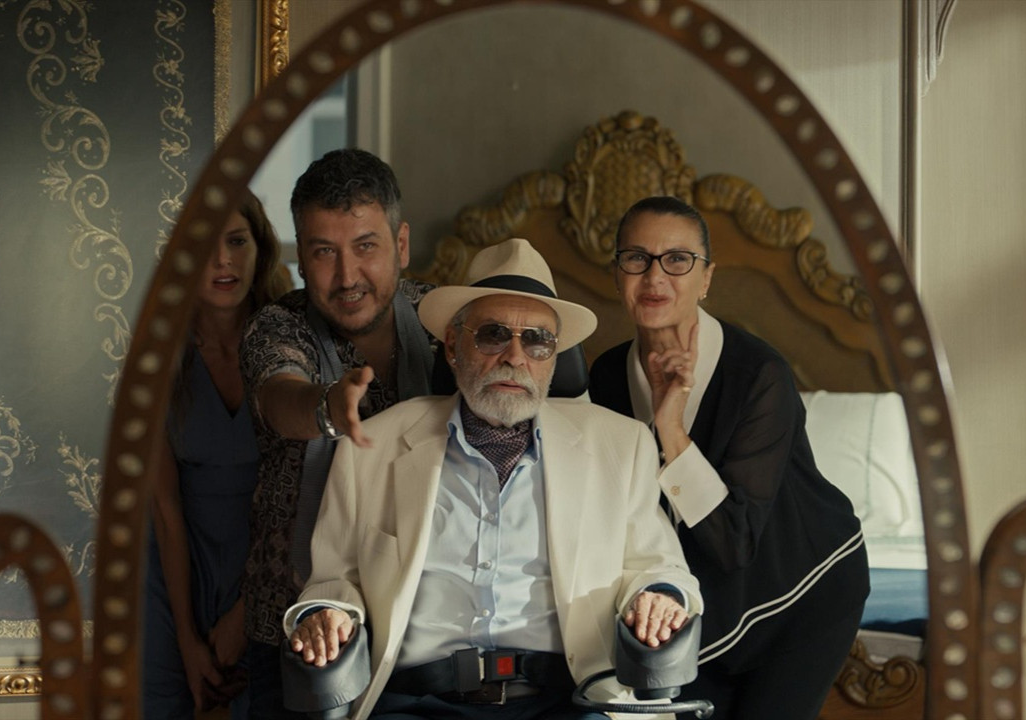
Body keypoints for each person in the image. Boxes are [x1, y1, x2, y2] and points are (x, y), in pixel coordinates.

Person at [285, 238, 702, 720]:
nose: (515, 357)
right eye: (493, 335)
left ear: (553, 358)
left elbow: (658, 566)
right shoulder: (371, 445)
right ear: (452, 347)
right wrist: (329, 614)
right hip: (420, 702)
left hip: (570, 699)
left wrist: (659, 596)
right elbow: (333, 580)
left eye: (538, 340)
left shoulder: (620, 445)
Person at [588, 196, 870, 719]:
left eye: (678, 259)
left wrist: (671, 429)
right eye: (637, 258)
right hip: (704, 600)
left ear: (706, 279)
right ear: (617, 272)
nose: (655, 276)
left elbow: (734, 540)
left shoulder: (759, 375)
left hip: (804, 594)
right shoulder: (604, 377)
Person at [239, 149, 440, 718]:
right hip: (295, 641)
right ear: (301, 258)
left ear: (401, 244)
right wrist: (327, 408)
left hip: (419, 639)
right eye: (324, 251)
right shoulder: (278, 325)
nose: (347, 276)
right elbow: (280, 396)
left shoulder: (448, 322)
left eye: (365, 246)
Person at [143, 188, 293, 719]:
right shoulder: (157, 356)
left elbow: (309, 499)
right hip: (177, 572)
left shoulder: (292, 345)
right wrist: (187, 638)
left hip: (276, 572)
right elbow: (165, 511)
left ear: (260, 248)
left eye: (236, 241)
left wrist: (248, 612)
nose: (222, 260)